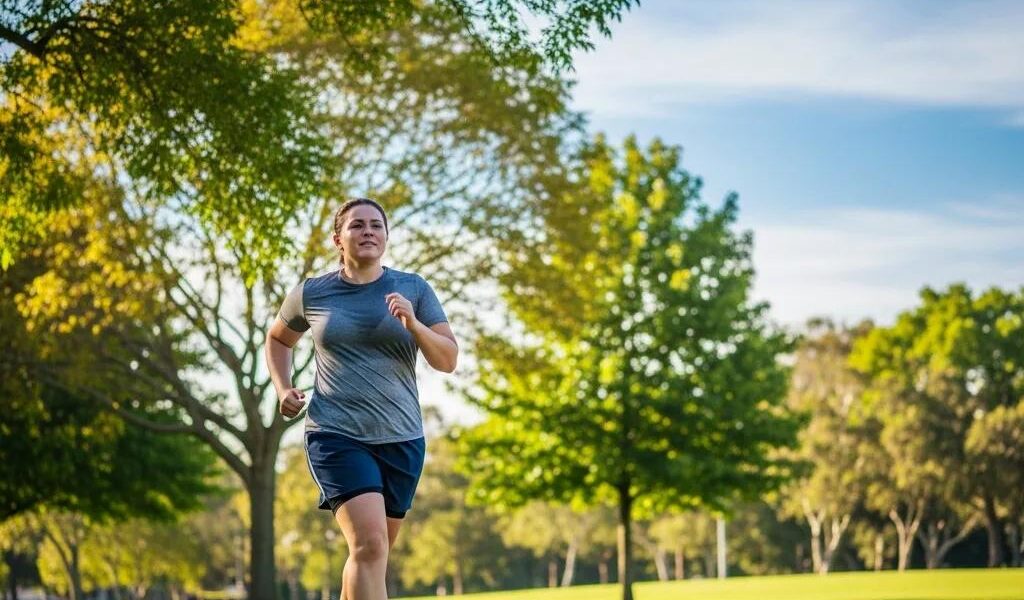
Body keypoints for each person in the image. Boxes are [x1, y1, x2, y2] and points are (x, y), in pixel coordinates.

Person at [265, 198, 458, 600]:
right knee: (369, 546)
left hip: (402, 437)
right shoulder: (312, 293)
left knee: (374, 555)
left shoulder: (413, 288)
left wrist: (414, 324)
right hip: (336, 434)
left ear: (386, 237)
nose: (368, 231)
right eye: (357, 226)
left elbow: (447, 359)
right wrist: (283, 388)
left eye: (376, 225)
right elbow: (279, 339)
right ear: (339, 239)